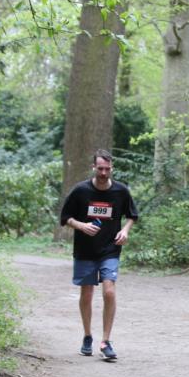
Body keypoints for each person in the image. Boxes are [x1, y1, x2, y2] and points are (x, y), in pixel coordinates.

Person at [59, 149, 139, 361]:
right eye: (100, 168)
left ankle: (106, 341)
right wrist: (81, 225)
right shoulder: (80, 191)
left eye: (107, 169)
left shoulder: (121, 191)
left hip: (110, 249)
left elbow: (132, 215)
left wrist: (125, 230)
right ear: (94, 168)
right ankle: (87, 336)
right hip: (85, 250)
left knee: (109, 291)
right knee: (87, 294)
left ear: (112, 168)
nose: (104, 172)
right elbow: (65, 217)